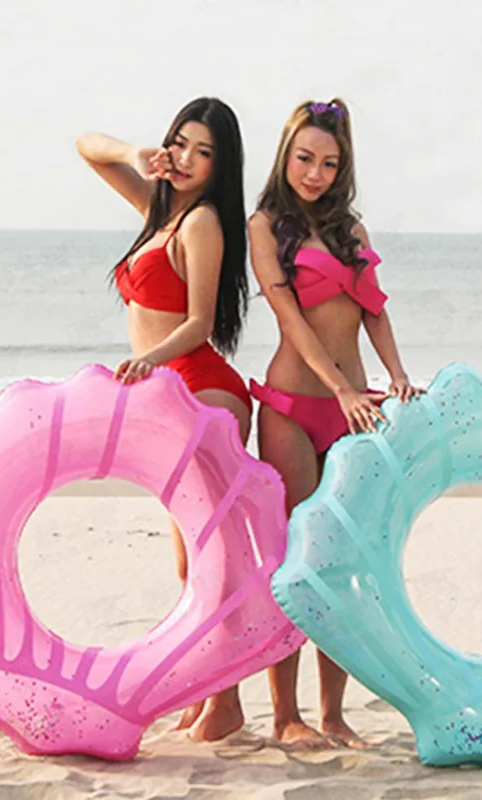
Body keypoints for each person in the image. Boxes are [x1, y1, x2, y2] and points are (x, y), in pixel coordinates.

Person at [248, 98, 424, 748]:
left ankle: (332, 715)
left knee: (341, 561)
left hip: (355, 406)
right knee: (295, 560)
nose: (314, 173)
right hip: (294, 407)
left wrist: (396, 375)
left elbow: (374, 309)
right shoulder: (265, 226)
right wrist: (342, 388)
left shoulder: (352, 230)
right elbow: (291, 319)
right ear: (285, 155)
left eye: (328, 163)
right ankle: (284, 715)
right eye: (304, 159)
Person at [76, 97, 250, 742]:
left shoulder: (201, 222)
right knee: (187, 564)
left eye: (204, 153)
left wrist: (147, 360)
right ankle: (207, 689)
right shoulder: (159, 210)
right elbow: (87, 147)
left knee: (211, 557)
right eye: (180, 143)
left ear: (219, 167)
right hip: (164, 393)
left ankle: (227, 700)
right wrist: (136, 154)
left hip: (203, 390)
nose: (187, 159)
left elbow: (200, 323)